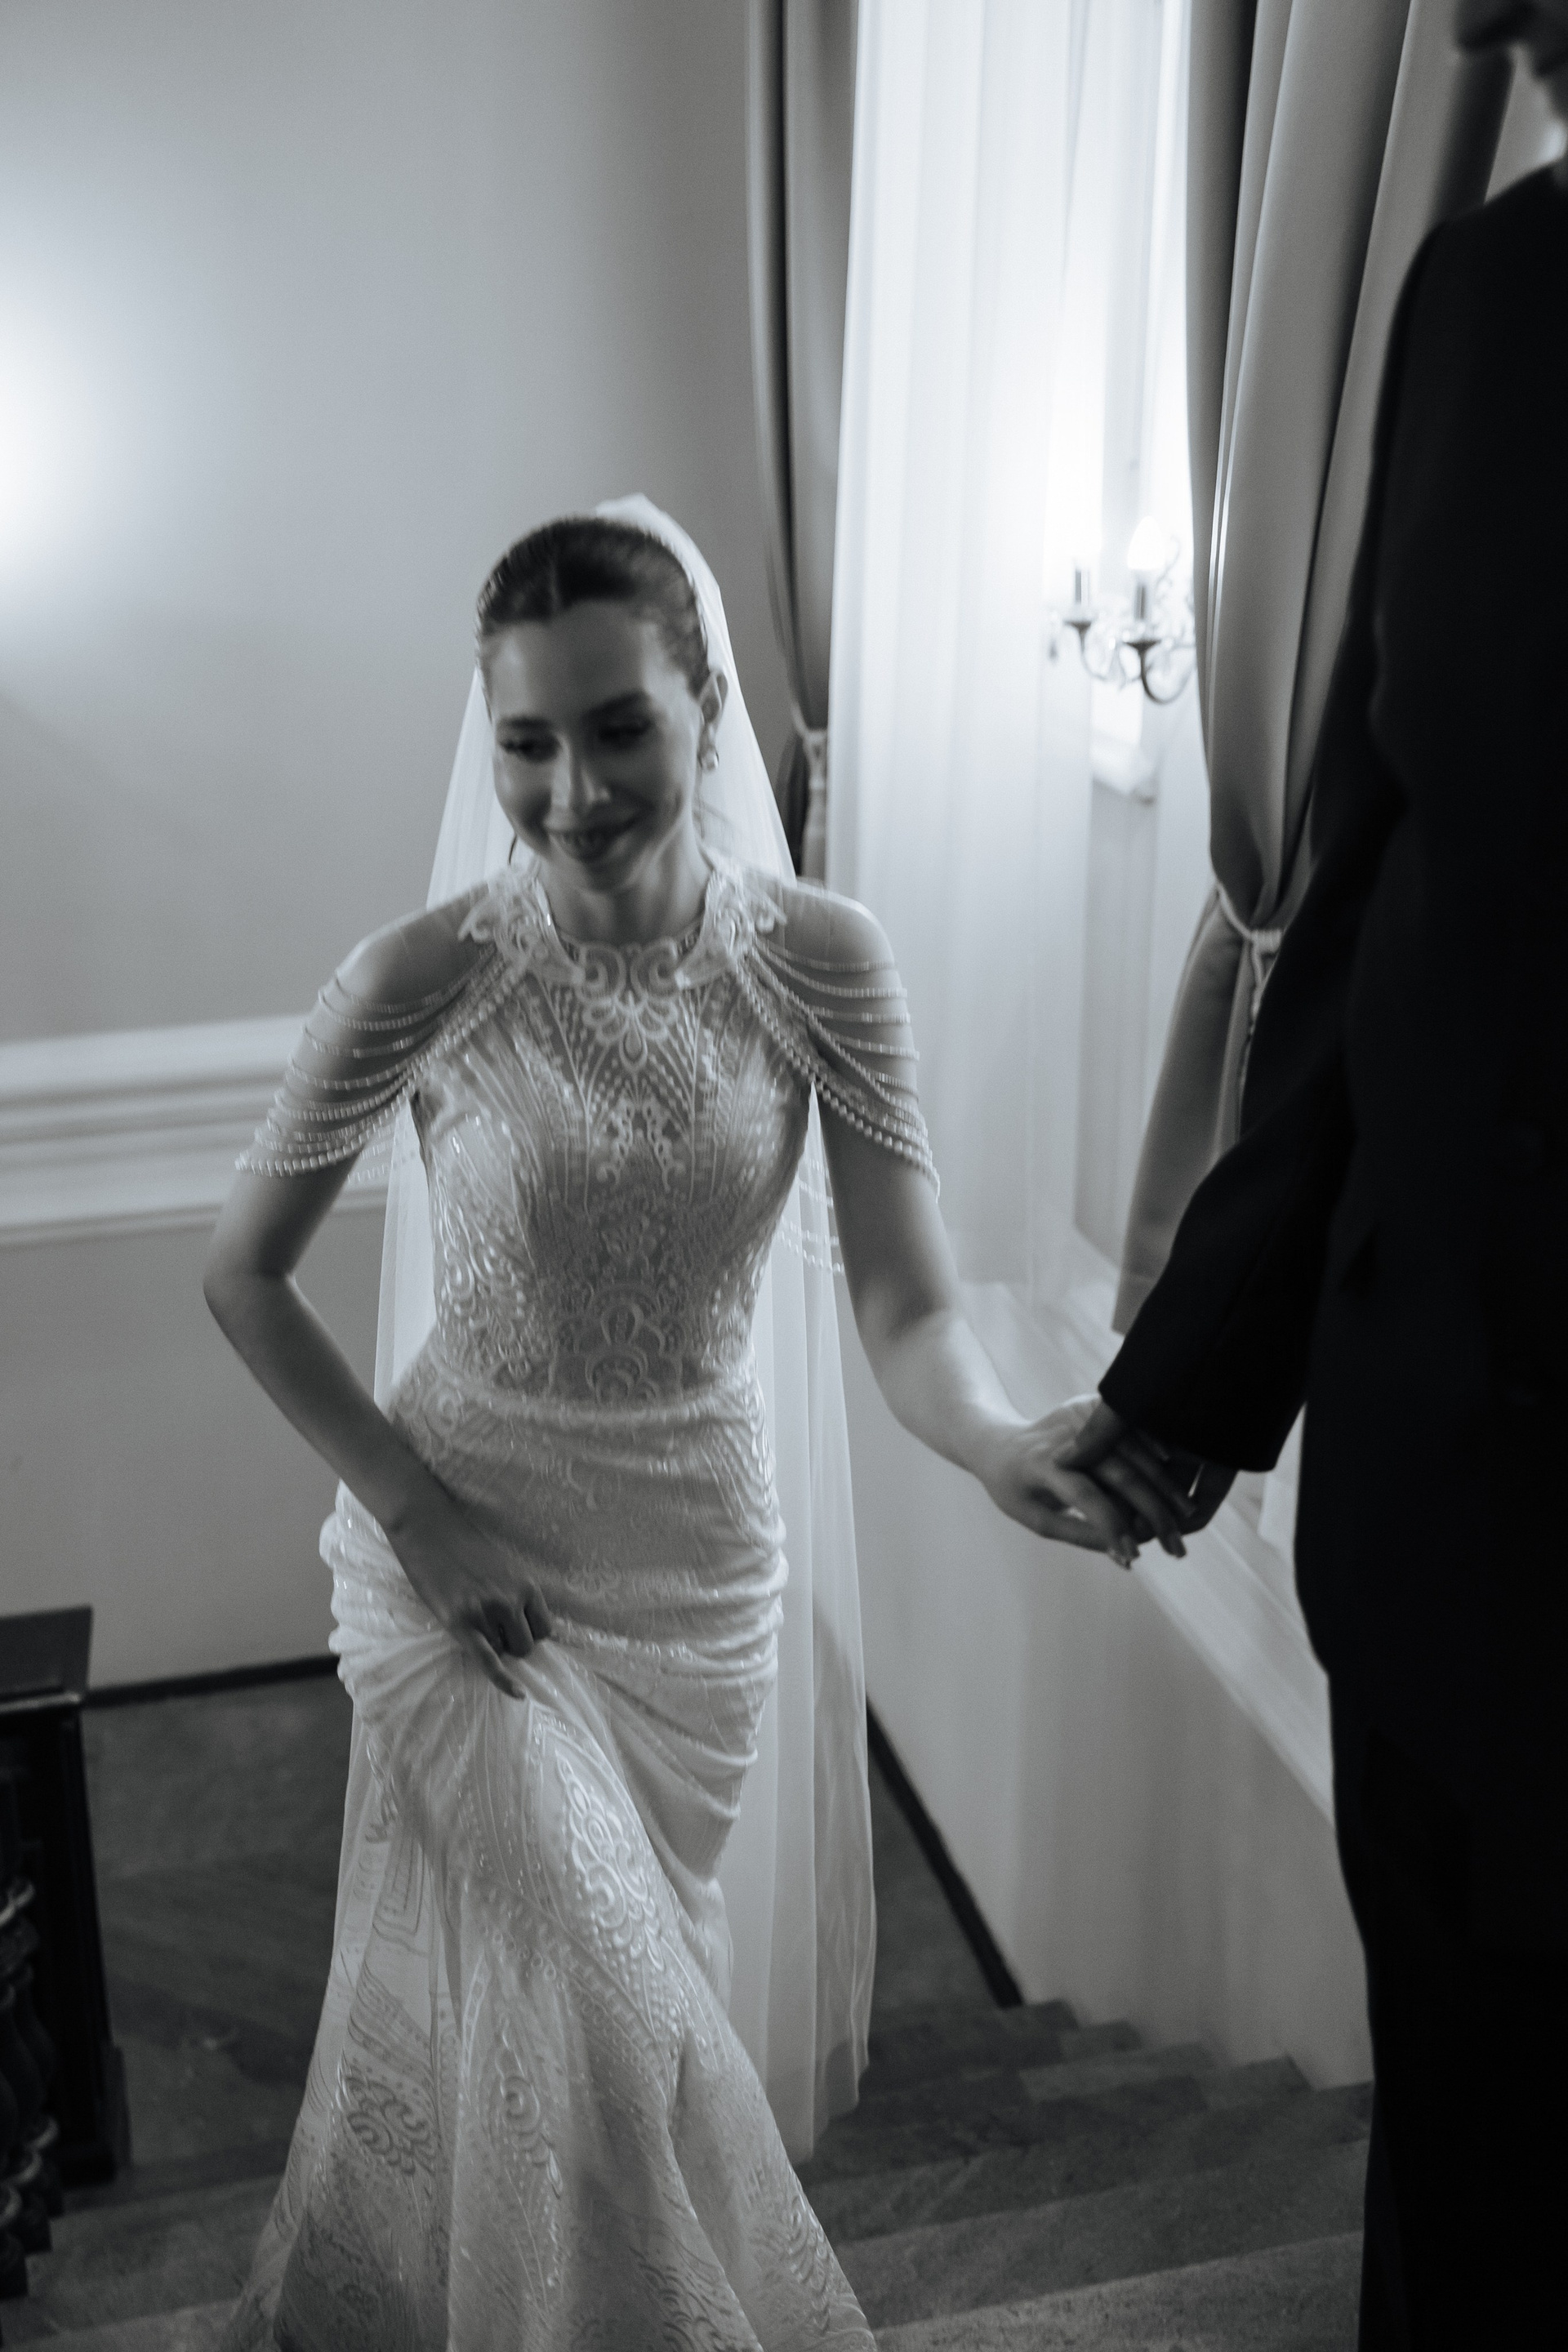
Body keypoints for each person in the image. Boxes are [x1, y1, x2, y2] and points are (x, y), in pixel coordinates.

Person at [203, 497, 1144, 2349]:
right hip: (459, 1577)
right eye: (528, 742)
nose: (571, 790)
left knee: (593, 2036)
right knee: (617, 2022)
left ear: (705, 704)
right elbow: (244, 1276)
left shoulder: (824, 960)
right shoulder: (424, 977)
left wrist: (999, 1442)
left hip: (695, 1578)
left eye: (618, 726)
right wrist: (415, 1514)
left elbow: (907, 1305)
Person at [1057, 7, 1568, 2345]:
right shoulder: (1480, 291)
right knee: (1458, 2168)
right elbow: (1376, 874)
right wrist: (1202, 1369)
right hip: (1431, 1500)